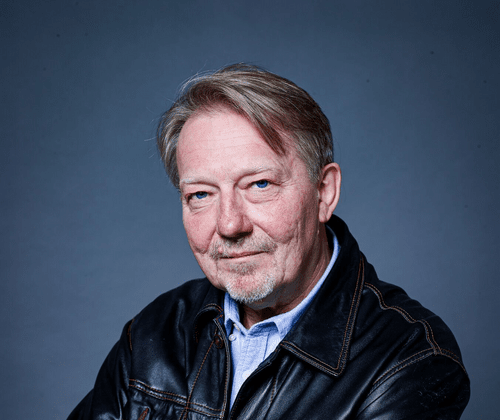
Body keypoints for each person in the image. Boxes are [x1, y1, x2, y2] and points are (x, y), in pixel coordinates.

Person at [68, 64, 470, 419]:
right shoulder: (154, 332)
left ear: (324, 192)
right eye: (201, 194)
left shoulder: (409, 356)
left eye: (259, 184)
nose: (230, 224)